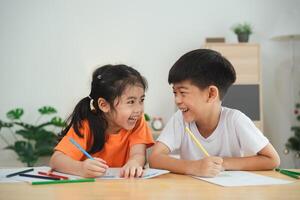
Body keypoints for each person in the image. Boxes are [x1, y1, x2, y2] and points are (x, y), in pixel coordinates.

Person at [149, 49, 280, 177]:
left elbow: (272, 159)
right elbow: (154, 158)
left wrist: (223, 163)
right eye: (175, 92)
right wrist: (193, 167)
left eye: (183, 93)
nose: (177, 100)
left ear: (211, 94)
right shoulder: (180, 119)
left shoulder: (235, 120)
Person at [50, 64, 154, 178]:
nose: (139, 109)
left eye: (141, 100)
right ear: (104, 105)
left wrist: (134, 162)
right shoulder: (86, 125)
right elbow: (56, 160)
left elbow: (138, 154)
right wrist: (81, 168)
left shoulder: (137, 122)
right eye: (130, 102)